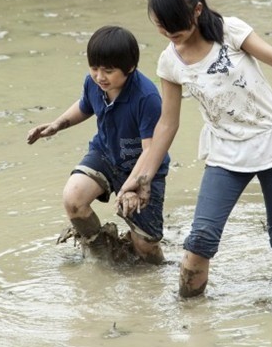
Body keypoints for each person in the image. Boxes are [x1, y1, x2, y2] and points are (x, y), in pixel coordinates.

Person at [118, 0, 272, 298]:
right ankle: (190, 319)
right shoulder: (169, 62)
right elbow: (167, 124)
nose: (169, 33)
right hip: (226, 153)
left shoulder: (229, 31)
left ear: (196, 11)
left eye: (175, 24)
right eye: (161, 27)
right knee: (201, 238)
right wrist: (143, 175)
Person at [26, 25, 169, 264]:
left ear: (130, 68)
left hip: (144, 168)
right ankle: (102, 254)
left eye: (109, 71)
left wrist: (133, 187)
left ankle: (155, 277)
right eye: (94, 68)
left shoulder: (147, 97)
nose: (100, 76)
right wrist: (57, 124)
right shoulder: (94, 84)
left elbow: (150, 150)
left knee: (145, 246)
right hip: (105, 154)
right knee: (73, 199)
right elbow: (85, 106)